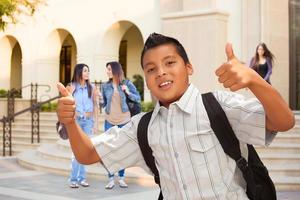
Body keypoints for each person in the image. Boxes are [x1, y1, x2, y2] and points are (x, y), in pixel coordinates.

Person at [56, 33, 295, 199]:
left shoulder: (218, 106)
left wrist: (254, 80)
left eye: (170, 62)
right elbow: (86, 154)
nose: (161, 72)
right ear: (146, 78)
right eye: (151, 69)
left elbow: (283, 121)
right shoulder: (142, 128)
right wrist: (70, 121)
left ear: (188, 67)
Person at [100, 61, 141, 189]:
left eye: (109, 69)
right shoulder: (105, 86)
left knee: (122, 150)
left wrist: (127, 92)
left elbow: (138, 98)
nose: (107, 71)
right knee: (109, 151)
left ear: (115, 70)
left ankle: (121, 178)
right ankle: (111, 178)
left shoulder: (127, 83)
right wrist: (99, 101)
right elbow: (104, 103)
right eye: (107, 69)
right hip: (109, 121)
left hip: (124, 121)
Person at [67, 63, 99, 188]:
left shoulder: (92, 87)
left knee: (85, 151)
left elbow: (96, 106)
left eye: (88, 70)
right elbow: (68, 104)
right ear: (79, 72)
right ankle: (73, 179)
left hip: (88, 121)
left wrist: (96, 123)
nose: (87, 73)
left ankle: (82, 178)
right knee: (76, 151)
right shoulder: (72, 87)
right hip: (76, 122)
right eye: (85, 70)